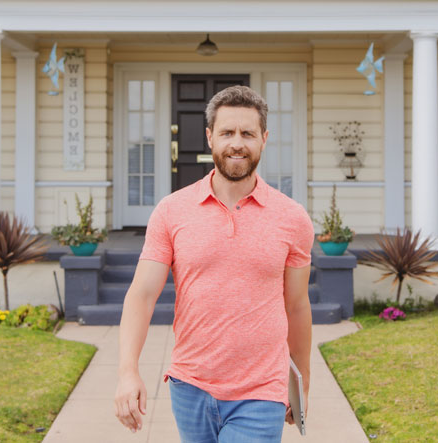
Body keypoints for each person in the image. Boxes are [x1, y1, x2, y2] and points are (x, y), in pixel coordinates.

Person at [114, 85, 314, 442]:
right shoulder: (171, 211)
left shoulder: (292, 218)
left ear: (264, 139)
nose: (237, 143)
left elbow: (297, 306)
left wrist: (302, 383)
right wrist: (128, 370)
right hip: (190, 385)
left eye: (248, 133)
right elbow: (142, 296)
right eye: (227, 132)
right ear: (209, 137)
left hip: (261, 389)